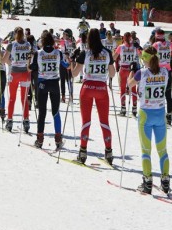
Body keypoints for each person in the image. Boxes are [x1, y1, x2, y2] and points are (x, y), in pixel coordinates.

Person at [128, 46, 171, 194]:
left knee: (146, 150)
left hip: (146, 114)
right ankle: (165, 180)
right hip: (160, 113)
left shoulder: (142, 73)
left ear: (145, 59)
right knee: (162, 150)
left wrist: (131, 71)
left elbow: (129, 84)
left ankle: (147, 181)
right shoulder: (165, 71)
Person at [71, 28, 116, 164]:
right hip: (101, 88)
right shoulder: (107, 52)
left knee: (86, 121)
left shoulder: (85, 53)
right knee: (104, 121)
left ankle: (83, 152)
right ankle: (108, 152)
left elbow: (74, 74)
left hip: (87, 88)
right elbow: (113, 74)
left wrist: (72, 61)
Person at [28, 31, 67, 149]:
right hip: (55, 83)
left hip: (42, 84)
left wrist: (28, 61)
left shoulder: (38, 53)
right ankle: (58, 138)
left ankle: (40, 139)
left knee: (42, 112)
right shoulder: (58, 53)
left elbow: (31, 69)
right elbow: (66, 66)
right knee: (55, 111)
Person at [3, 27, 32, 132]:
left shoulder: (12, 45)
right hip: (25, 73)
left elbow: (4, 60)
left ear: (15, 34)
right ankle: (26, 121)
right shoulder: (28, 44)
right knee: (24, 99)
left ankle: (10, 120)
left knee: (12, 98)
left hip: (15, 73)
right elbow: (30, 59)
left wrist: (11, 63)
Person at [114, 32, 140, 117]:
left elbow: (114, 58)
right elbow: (141, 55)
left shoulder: (121, 47)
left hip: (123, 69)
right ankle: (134, 108)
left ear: (124, 38)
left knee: (122, 89)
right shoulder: (135, 47)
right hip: (132, 69)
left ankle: (123, 108)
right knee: (133, 89)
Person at [59, 29, 76, 102]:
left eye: (64, 34)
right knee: (69, 80)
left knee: (63, 80)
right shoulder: (72, 42)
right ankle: (71, 96)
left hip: (64, 62)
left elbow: (57, 42)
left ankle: (63, 96)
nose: (63, 35)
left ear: (68, 35)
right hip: (71, 62)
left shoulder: (65, 42)